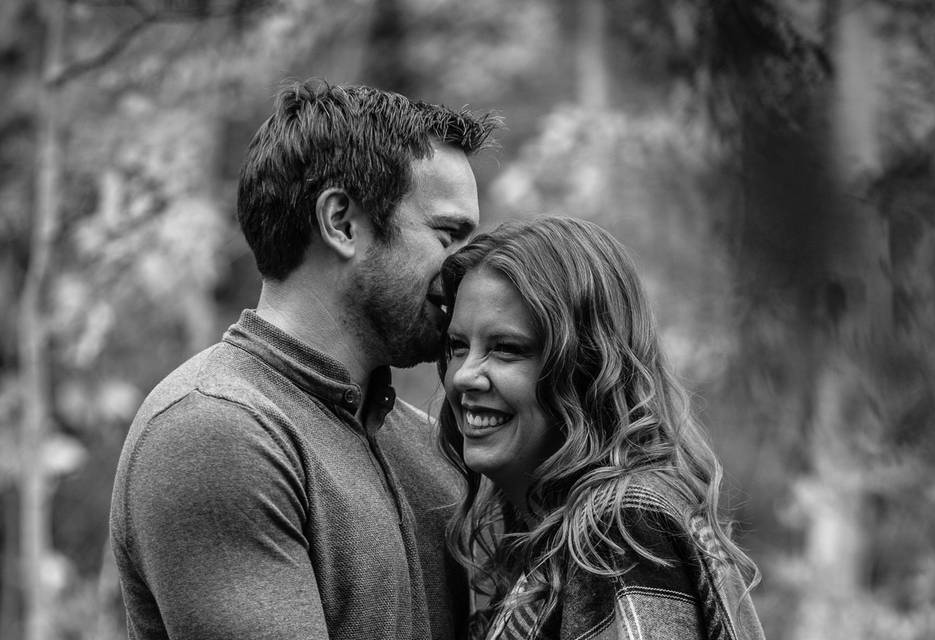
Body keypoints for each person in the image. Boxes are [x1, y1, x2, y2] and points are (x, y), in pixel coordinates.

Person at [109, 80, 500, 640]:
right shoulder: (218, 430)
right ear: (341, 222)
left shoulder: (428, 445)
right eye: (449, 235)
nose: (469, 268)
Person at [437, 216, 765, 640]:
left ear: (586, 367)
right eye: (458, 346)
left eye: (507, 349)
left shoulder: (622, 524)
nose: (463, 375)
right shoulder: (560, 531)